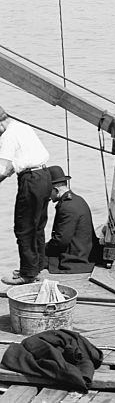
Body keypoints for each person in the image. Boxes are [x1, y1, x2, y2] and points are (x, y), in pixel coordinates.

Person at [0, 107, 51, 285]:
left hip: (31, 180)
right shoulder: (22, 127)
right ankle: (36, 266)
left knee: (23, 227)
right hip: (45, 175)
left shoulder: (7, 136)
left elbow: (4, 169)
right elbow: (16, 162)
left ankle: (27, 273)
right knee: (38, 225)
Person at [44, 166, 98, 275]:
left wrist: (43, 248)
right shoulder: (77, 199)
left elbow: (60, 241)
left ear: (56, 190)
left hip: (76, 259)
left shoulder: (67, 207)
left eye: (47, 191)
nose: (47, 196)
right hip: (83, 250)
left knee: (35, 256)